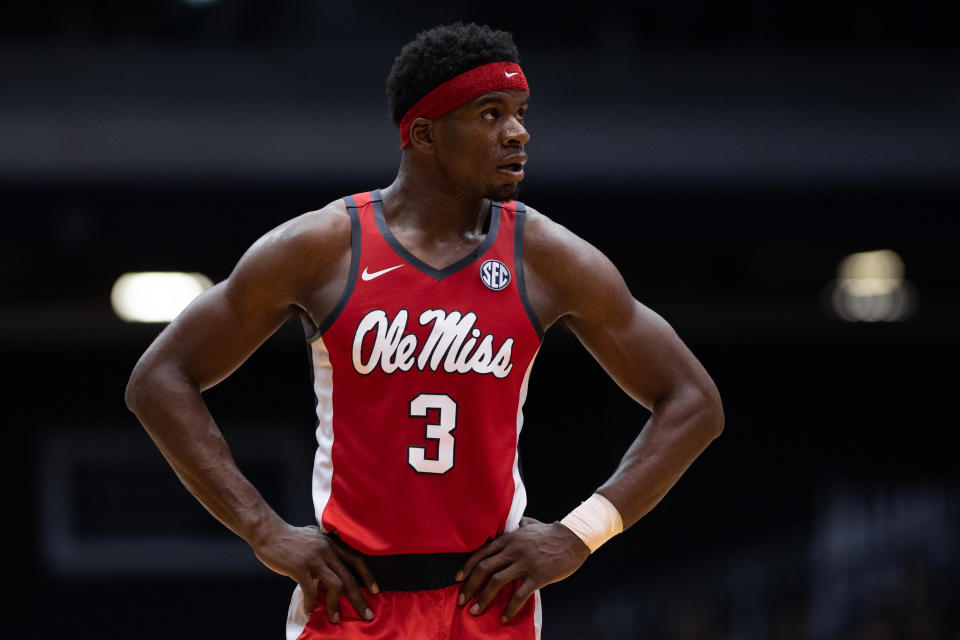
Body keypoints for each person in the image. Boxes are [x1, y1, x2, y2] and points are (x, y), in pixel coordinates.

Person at [124, 22, 723, 640]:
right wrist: (264, 531)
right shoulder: (324, 246)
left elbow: (694, 401)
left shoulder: (546, 257)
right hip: (352, 601)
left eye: (520, 113)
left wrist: (580, 534)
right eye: (491, 114)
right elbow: (159, 380)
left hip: (491, 602)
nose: (517, 132)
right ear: (424, 134)